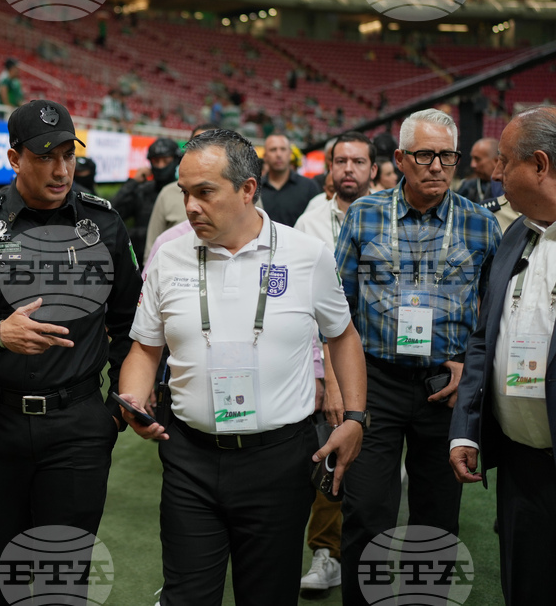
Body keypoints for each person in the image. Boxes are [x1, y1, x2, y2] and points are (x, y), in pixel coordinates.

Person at [120, 128, 367, 606]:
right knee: (188, 596)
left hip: (279, 461)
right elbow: (145, 348)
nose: (190, 206)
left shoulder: (305, 254)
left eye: (205, 192)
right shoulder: (168, 256)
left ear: (248, 189)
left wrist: (355, 416)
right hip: (188, 456)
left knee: (268, 595)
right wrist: (133, 398)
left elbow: (342, 335)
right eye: (184, 192)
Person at [0, 99, 142, 605]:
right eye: (46, 157)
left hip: (79, 429)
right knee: (5, 580)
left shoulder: (104, 225)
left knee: (63, 583)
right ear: (14, 158)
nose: (61, 169)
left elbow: (131, 322)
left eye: (68, 155)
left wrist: (115, 410)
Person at [335, 108, 501, 606]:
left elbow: (493, 318)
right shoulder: (364, 214)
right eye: (425, 155)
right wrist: (335, 384)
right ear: (402, 159)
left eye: (446, 155)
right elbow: (337, 305)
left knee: (436, 520)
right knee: (366, 512)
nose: (437, 166)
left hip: (443, 388)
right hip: (375, 382)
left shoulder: (481, 224)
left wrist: (470, 366)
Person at [449, 106, 556, 606]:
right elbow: (482, 338)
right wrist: (467, 427)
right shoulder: (514, 233)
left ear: (540, 165)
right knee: (524, 585)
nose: (495, 174)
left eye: (505, 162)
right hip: (520, 466)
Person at [293, 132, 377, 592]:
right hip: (329, 359)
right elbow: (305, 312)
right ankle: (325, 551)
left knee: (376, 473)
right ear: (329, 169)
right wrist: (325, 374)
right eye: (340, 161)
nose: (348, 169)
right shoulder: (309, 222)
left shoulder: (388, 218)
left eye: (358, 161)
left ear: (374, 169)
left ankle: (364, 552)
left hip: (381, 360)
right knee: (330, 459)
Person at [144, 125, 215, 262]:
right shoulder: (167, 193)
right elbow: (151, 253)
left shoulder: (241, 192)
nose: (191, 207)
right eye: (185, 193)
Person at [112, 137, 181, 265]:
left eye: (166, 161)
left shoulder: (183, 193)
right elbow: (112, 213)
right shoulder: (142, 191)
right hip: (140, 262)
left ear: (176, 161)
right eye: (156, 161)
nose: (160, 166)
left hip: (172, 261)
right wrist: (132, 183)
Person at [259, 134, 321, 226]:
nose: (278, 154)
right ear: (265, 156)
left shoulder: (309, 187)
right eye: (273, 150)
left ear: (290, 154)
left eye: (283, 149)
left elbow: (317, 223)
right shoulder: (255, 188)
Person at [456, 137, 499, 203]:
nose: (472, 165)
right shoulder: (467, 187)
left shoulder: (507, 189)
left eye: (477, 159)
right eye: (472, 159)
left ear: (496, 161)